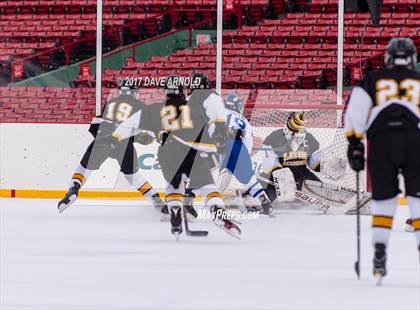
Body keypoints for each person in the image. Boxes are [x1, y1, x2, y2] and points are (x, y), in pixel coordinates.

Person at [113, 74, 241, 239]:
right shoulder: (193, 108)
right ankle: (216, 209)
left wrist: (114, 138)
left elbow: (128, 125)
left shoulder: (154, 109)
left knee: (174, 187)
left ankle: (174, 208)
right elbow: (205, 132)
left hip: (167, 153)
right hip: (192, 152)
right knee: (208, 186)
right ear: (182, 90)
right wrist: (214, 144)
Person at [345, 37, 420, 283]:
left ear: (388, 57)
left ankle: (379, 250)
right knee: (417, 199)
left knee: (384, 199)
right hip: (415, 141)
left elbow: (355, 111)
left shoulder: (373, 79)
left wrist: (355, 143)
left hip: (382, 142)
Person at [58, 85, 165, 213]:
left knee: (84, 169)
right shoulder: (140, 106)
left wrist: (102, 141)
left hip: (102, 138)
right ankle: (155, 199)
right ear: (134, 93)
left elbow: (94, 127)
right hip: (123, 143)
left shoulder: (110, 102)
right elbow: (150, 132)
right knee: (132, 175)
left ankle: (74, 188)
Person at [219, 93, 272, 215]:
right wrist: (244, 160)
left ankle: (183, 202)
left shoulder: (217, 113)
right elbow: (247, 143)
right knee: (250, 179)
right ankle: (264, 202)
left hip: (218, 145)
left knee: (203, 177)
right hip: (237, 146)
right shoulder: (244, 121)